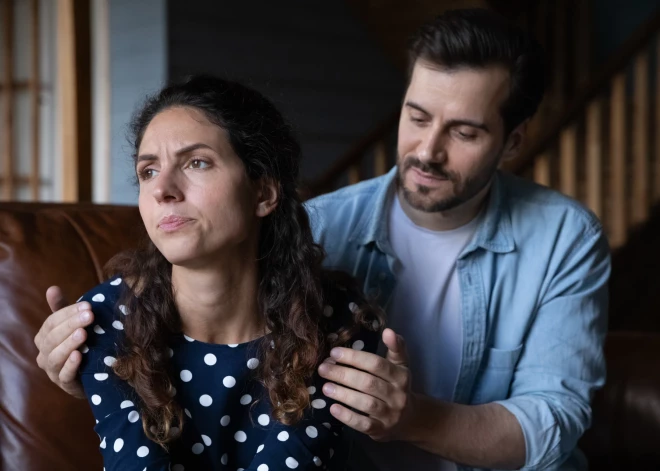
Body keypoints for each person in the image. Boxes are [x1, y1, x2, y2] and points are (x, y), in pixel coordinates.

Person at [34, 8, 610, 471]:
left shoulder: (565, 239)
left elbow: (553, 423)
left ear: (512, 143)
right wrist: (96, 364)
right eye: (416, 116)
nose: (429, 150)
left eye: (464, 131)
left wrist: (411, 419)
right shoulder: (317, 227)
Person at [43, 75, 382, 470]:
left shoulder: (337, 323)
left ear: (263, 193)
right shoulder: (106, 321)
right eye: (148, 171)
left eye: (197, 162)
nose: (162, 190)